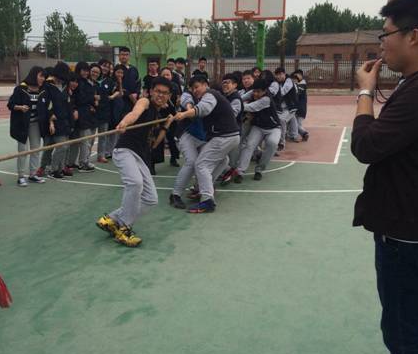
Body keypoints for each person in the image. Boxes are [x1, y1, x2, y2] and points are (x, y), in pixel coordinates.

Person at [346, 0, 418, 354]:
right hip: (417, 226)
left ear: (414, 37)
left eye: (386, 36)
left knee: (402, 325)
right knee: (417, 317)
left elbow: (367, 146)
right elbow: (406, 20)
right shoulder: (417, 78)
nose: (382, 46)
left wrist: (362, 93)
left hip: (406, 234)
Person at [96, 77, 174, 247]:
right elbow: (135, 113)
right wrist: (124, 122)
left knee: (151, 199)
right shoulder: (144, 102)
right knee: (135, 183)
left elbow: (154, 144)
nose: (161, 95)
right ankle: (124, 228)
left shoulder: (157, 115)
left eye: (165, 93)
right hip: (125, 150)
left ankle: (111, 219)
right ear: (151, 91)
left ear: (169, 96)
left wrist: (167, 125)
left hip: (141, 157)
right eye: (158, 91)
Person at [174, 75, 240, 213]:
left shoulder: (209, 95)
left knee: (201, 164)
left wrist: (184, 114)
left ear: (205, 85)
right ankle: (202, 188)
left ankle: (207, 200)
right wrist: (188, 108)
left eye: (197, 87)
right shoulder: (198, 96)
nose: (195, 90)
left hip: (223, 136)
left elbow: (204, 108)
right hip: (229, 136)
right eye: (193, 88)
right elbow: (187, 99)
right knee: (223, 161)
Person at [232, 79, 281, 182]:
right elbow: (240, 98)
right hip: (258, 127)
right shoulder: (252, 92)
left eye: (258, 92)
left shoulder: (266, 99)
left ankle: (259, 170)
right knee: (249, 145)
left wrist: (231, 106)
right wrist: (232, 100)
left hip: (274, 128)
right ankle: (240, 172)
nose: (255, 94)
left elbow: (250, 107)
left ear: (265, 91)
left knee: (272, 143)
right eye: (254, 91)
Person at [8, 66, 46, 186]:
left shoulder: (42, 90)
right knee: (23, 150)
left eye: (44, 77)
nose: (43, 79)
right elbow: (10, 104)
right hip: (22, 124)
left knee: (36, 149)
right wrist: (20, 107)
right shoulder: (21, 89)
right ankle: (21, 176)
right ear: (34, 75)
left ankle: (33, 174)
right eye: (41, 76)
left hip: (35, 124)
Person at [38, 61, 72, 179]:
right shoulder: (47, 86)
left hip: (64, 121)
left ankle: (59, 168)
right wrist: (50, 119)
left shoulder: (65, 87)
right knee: (52, 146)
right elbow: (45, 104)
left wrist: (71, 121)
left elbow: (68, 104)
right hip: (51, 121)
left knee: (64, 146)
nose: (62, 80)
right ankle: (51, 169)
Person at [73, 62, 97, 172]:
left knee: (86, 140)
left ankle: (81, 161)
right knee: (84, 140)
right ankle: (83, 163)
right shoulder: (78, 82)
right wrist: (92, 98)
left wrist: (92, 103)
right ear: (79, 70)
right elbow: (81, 99)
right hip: (81, 115)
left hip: (87, 114)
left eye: (87, 71)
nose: (86, 73)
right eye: (84, 70)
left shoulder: (87, 82)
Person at [270, 67, 299, 149]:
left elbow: (282, 92)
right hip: (282, 108)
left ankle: (281, 142)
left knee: (282, 120)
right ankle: (294, 135)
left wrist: (272, 93)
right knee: (291, 119)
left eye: (280, 74)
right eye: (277, 75)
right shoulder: (277, 82)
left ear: (284, 74)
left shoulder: (288, 81)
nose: (278, 76)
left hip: (291, 107)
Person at [117, 46, 141, 112]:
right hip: (122, 101)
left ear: (129, 56)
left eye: (126, 55)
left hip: (134, 100)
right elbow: (117, 85)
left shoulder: (134, 69)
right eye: (122, 54)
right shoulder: (116, 69)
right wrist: (129, 95)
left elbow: (138, 82)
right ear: (119, 56)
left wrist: (136, 93)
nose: (124, 57)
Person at [291, 70, 309, 141]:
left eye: (297, 76)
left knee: (296, 124)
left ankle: (304, 133)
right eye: (294, 77)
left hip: (300, 108)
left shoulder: (302, 85)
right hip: (298, 108)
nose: (295, 78)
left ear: (301, 76)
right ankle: (295, 135)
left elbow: (297, 93)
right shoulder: (299, 84)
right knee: (294, 123)